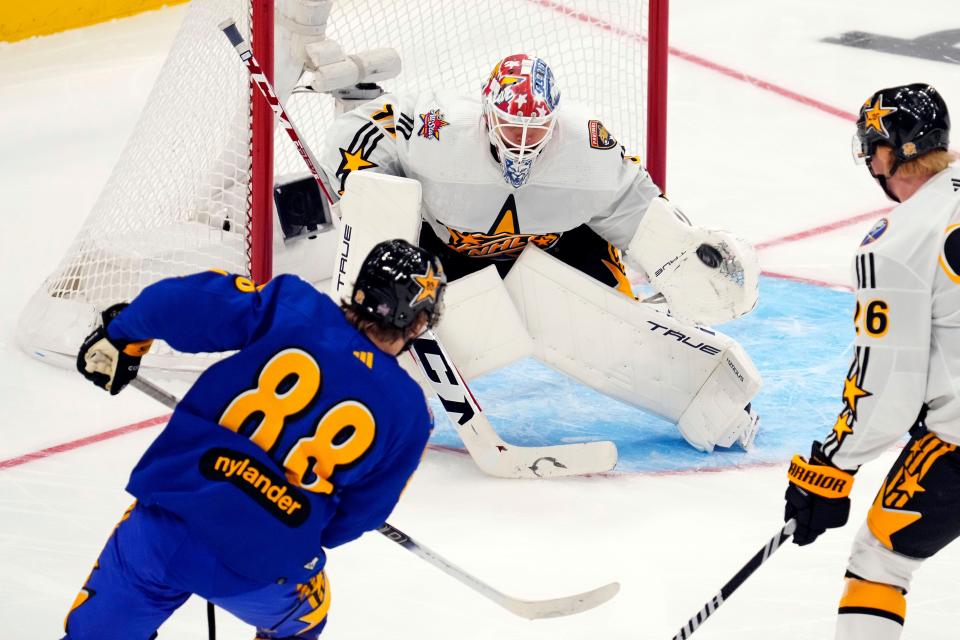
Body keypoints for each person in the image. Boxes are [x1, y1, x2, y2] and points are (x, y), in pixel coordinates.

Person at [64, 239, 447, 639]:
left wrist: (124, 333)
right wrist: (292, 525)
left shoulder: (293, 305)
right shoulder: (410, 413)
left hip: (164, 527)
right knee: (305, 620)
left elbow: (183, 303)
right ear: (416, 322)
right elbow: (360, 517)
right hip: (262, 569)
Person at [319, 52, 758, 326]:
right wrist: (370, 200)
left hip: (554, 250)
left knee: (625, 320)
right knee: (394, 309)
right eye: (512, 126)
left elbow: (634, 204)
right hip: (452, 256)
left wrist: (677, 253)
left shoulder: (588, 144)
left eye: (536, 128)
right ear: (488, 114)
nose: (523, 141)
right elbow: (356, 129)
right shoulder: (439, 127)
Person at [783, 83, 958, 639]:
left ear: (890, 153)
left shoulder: (896, 242)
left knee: (880, 560)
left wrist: (832, 466)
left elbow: (886, 387)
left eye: (871, 147)